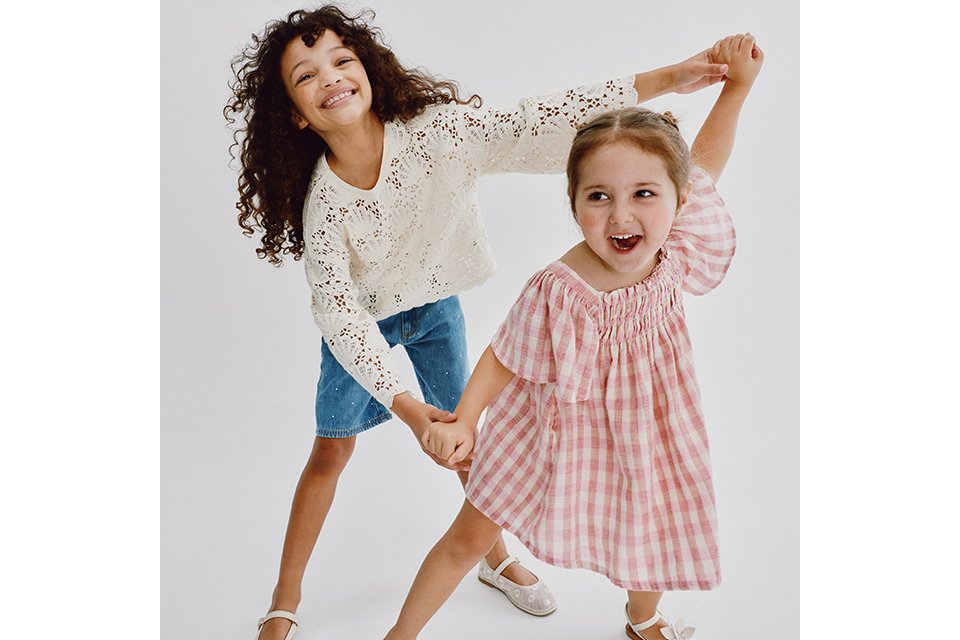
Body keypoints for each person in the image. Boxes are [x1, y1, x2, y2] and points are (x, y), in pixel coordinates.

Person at [224, 6, 735, 639]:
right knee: (331, 447)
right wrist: (408, 410)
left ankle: (493, 558)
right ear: (296, 115)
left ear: (370, 72)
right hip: (363, 324)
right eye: (306, 75)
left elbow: (533, 122)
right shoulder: (325, 205)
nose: (330, 76)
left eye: (342, 59)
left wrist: (667, 80)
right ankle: (285, 597)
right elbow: (340, 315)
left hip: (436, 308)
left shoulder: (438, 132)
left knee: (471, 444)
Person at [387, 33, 763, 640]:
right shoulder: (560, 288)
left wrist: (736, 90)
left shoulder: (675, 241)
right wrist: (464, 420)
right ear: (574, 203)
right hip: (551, 430)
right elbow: (504, 355)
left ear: (678, 197)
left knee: (655, 524)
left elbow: (707, 163)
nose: (621, 215)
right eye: (599, 196)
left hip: (649, 421)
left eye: (644, 194)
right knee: (470, 535)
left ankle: (643, 618)